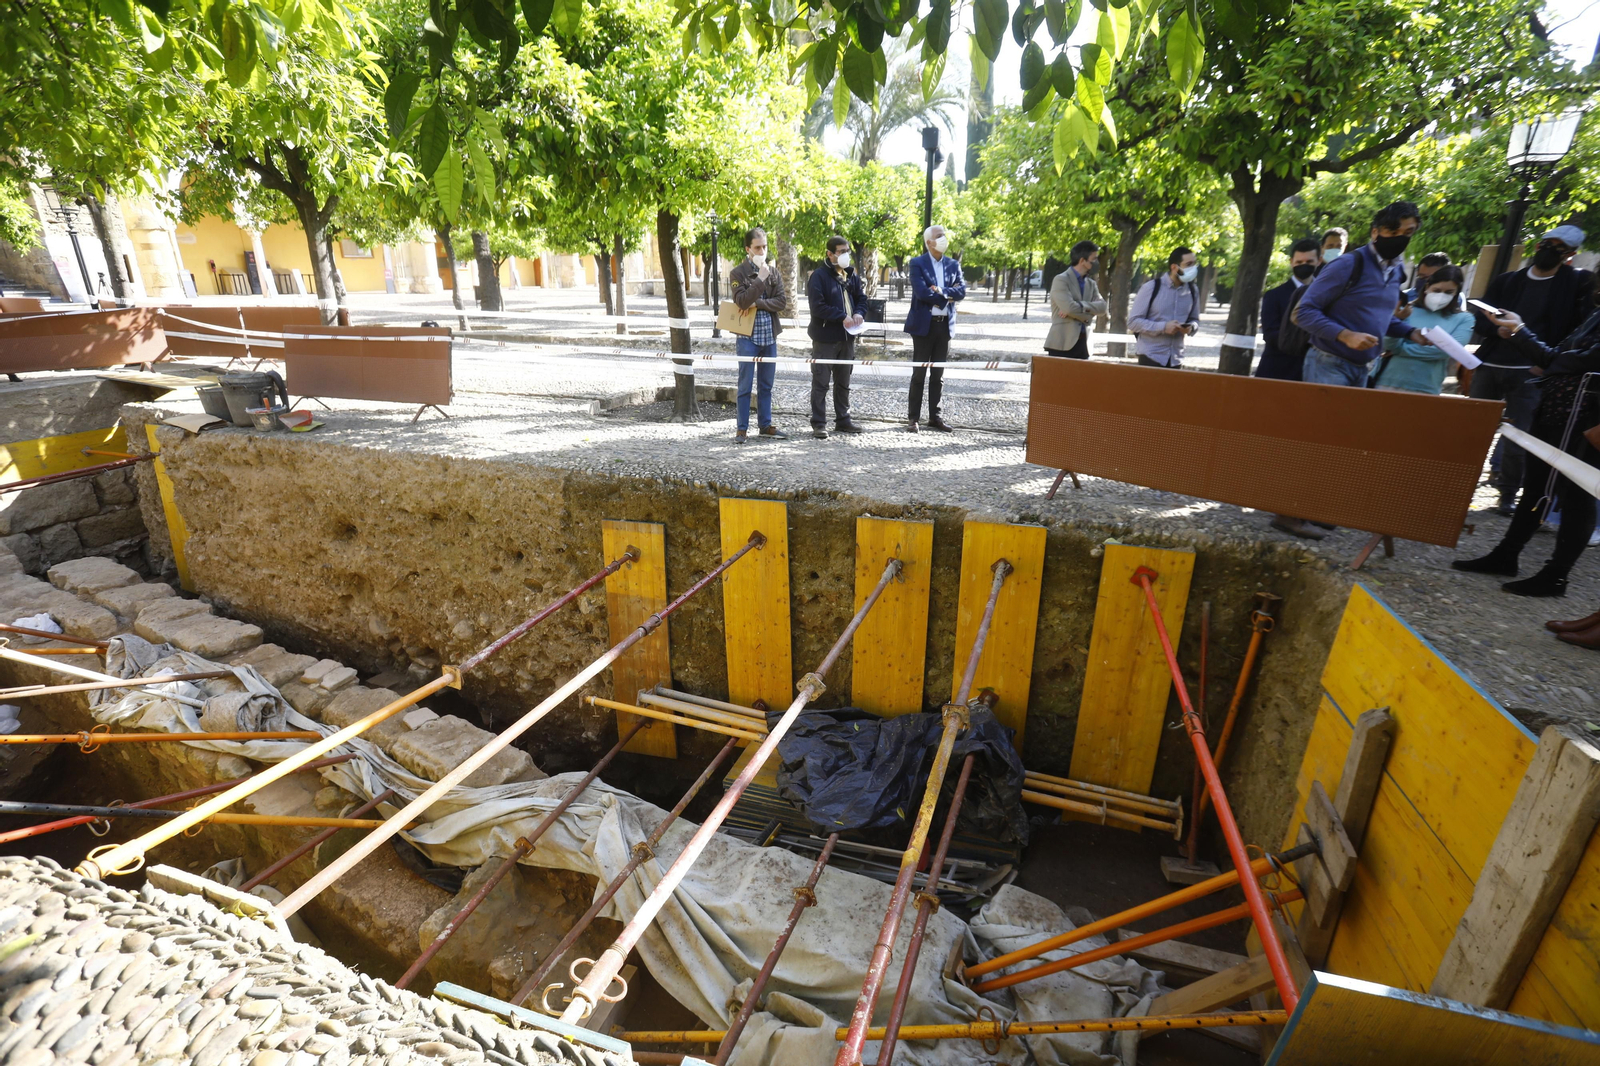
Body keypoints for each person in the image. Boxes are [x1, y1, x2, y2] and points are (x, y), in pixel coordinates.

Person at [1452, 295, 1600, 599]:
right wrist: (1522, 337)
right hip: (1558, 411)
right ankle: (1506, 555)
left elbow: (1566, 360)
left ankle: (1556, 576)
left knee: (1577, 496)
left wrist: (1524, 335)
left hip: (1585, 419)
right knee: (1535, 488)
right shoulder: (1596, 315)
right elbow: (1558, 355)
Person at [1471, 225, 1592, 515]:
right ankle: (1456, 482)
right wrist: (1497, 331)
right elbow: (1481, 318)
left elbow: (1576, 329)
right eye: (1545, 244)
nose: (1548, 250)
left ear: (1570, 254)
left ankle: (1508, 494)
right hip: (1491, 364)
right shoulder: (1508, 281)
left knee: (1520, 436)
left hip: (1532, 370)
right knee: (1472, 429)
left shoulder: (1575, 284)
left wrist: (1549, 363)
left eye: (1558, 247)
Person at [1294, 201, 1433, 388]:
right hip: (1329, 364)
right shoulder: (1346, 265)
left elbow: (1377, 316)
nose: (1400, 238)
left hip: (1364, 368)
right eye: (1392, 232)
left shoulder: (1397, 270)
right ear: (1375, 232)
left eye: (1407, 232)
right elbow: (1302, 312)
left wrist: (1410, 332)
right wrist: (1346, 335)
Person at [727, 228, 788, 444]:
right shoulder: (738, 273)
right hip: (747, 338)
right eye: (757, 247)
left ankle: (765, 425)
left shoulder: (775, 272)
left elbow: (782, 302)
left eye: (765, 246)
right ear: (748, 249)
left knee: (766, 385)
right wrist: (760, 279)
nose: (762, 251)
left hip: (769, 337)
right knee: (744, 385)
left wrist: (758, 303)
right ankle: (741, 429)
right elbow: (741, 301)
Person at [904, 224, 966, 431]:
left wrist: (940, 291)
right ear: (929, 242)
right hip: (924, 326)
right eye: (939, 236)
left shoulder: (952, 265)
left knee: (938, 375)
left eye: (944, 235)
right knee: (919, 374)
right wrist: (947, 296)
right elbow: (922, 293)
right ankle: (913, 418)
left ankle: (935, 417)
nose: (944, 239)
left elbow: (962, 291)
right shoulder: (917, 263)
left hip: (944, 326)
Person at [1374, 266, 1472, 395]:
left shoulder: (1464, 319)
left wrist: (1401, 349)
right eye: (1436, 290)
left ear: (1456, 293)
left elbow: (1447, 351)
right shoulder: (1406, 310)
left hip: (1427, 387)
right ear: (1427, 288)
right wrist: (1398, 321)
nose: (1441, 296)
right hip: (1388, 381)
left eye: (1448, 292)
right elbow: (1389, 344)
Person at [806, 235, 866, 440]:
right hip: (825, 338)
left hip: (848, 338)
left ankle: (843, 420)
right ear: (829, 254)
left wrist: (859, 313)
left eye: (847, 250)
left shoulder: (851, 275)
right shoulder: (819, 276)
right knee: (821, 382)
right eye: (841, 251)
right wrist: (841, 317)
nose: (845, 255)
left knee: (843, 381)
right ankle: (819, 423)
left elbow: (862, 298)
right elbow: (817, 307)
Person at [1254, 238, 1322, 381]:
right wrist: (1310, 341)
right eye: (1299, 262)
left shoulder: (1327, 294)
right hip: (1278, 370)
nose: (1304, 265)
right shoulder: (1274, 296)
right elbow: (1270, 334)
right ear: (1291, 262)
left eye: (1309, 262)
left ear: (1319, 260)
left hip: (1317, 370)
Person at [1129, 247, 1201, 367]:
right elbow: (1133, 322)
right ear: (1174, 267)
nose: (1193, 268)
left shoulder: (1193, 291)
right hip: (1150, 357)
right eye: (1189, 264)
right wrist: (1163, 327)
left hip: (1176, 359)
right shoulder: (1151, 288)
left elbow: (1195, 320)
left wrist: (1191, 327)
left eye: (1194, 264)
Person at [1044, 241, 1108, 360]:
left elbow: (1103, 308)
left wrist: (1079, 306)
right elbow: (1068, 307)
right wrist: (1089, 313)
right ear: (1082, 261)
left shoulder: (1091, 283)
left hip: (1085, 345)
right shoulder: (1061, 280)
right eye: (1094, 259)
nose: (1097, 263)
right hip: (1062, 343)